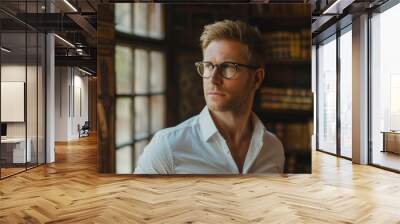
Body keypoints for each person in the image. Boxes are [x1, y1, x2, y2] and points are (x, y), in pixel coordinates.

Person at [134, 20, 285, 174]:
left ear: (256, 79)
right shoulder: (166, 148)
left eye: (227, 67)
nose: (213, 79)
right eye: (208, 66)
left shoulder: (273, 149)